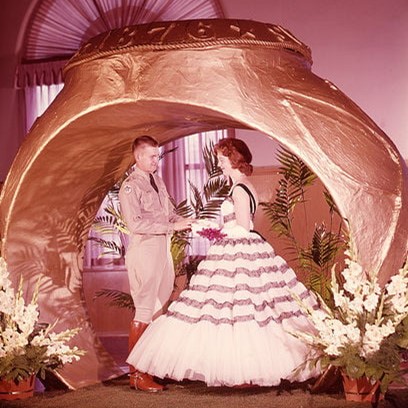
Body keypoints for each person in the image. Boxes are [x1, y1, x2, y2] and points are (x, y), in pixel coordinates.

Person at [126, 138, 320, 388]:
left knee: (238, 309)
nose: (218, 162)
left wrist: (213, 231)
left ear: (234, 160)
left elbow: (241, 227)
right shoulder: (134, 186)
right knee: (236, 309)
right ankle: (137, 373)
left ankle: (243, 369)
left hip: (238, 249)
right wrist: (200, 227)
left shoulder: (239, 188)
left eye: (221, 158)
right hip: (156, 251)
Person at [119, 135, 192, 392]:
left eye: (157, 156)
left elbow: (168, 213)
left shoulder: (157, 181)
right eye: (151, 156)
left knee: (159, 308)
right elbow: (135, 223)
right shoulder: (130, 186)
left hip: (162, 250)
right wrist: (172, 225)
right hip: (145, 251)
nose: (156, 161)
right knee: (144, 309)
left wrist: (186, 221)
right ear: (138, 157)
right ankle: (137, 374)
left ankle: (153, 367)